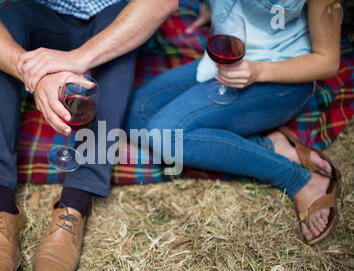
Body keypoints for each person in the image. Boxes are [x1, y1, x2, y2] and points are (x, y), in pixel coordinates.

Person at [0, 0, 178, 271]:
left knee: (122, 43)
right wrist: (31, 71)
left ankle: (75, 203)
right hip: (36, 12)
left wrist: (79, 59)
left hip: (110, 14)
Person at [125, 0, 343, 245]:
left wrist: (258, 71)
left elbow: (327, 61)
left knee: (163, 135)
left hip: (282, 78)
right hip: (221, 63)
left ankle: (299, 179)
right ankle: (269, 146)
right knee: (136, 114)